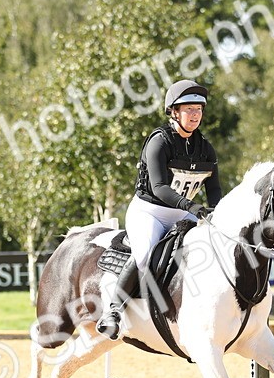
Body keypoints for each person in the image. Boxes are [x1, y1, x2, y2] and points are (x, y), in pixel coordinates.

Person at [96, 79, 224, 339]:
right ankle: (113, 311)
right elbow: (159, 188)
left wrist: (217, 215)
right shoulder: (159, 142)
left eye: (198, 110)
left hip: (184, 213)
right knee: (143, 256)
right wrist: (191, 206)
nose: (195, 115)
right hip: (150, 211)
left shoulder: (205, 148)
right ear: (174, 112)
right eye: (188, 109)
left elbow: (215, 191)